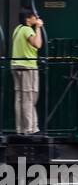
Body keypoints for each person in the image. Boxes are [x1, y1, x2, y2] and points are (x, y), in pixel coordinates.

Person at [12, 7, 43, 135]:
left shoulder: (17, 29)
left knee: (19, 98)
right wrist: (38, 28)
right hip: (27, 67)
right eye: (34, 17)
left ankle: (20, 128)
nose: (37, 19)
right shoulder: (27, 30)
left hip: (15, 65)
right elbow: (37, 44)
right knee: (29, 97)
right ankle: (30, 129)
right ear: (28, 19)